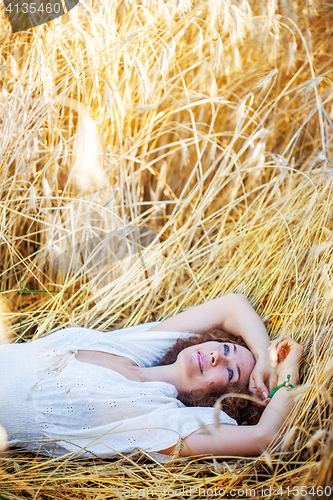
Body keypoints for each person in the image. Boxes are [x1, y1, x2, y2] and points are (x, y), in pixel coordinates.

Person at [0, 293, 303, 458]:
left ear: (223, 400)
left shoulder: (162, 420)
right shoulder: (143, 348)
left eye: (229, 370)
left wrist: (286, 372)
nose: (216, 355)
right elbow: (231, 305)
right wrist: (267, 358)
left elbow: (265, 437)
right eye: (224, 346)